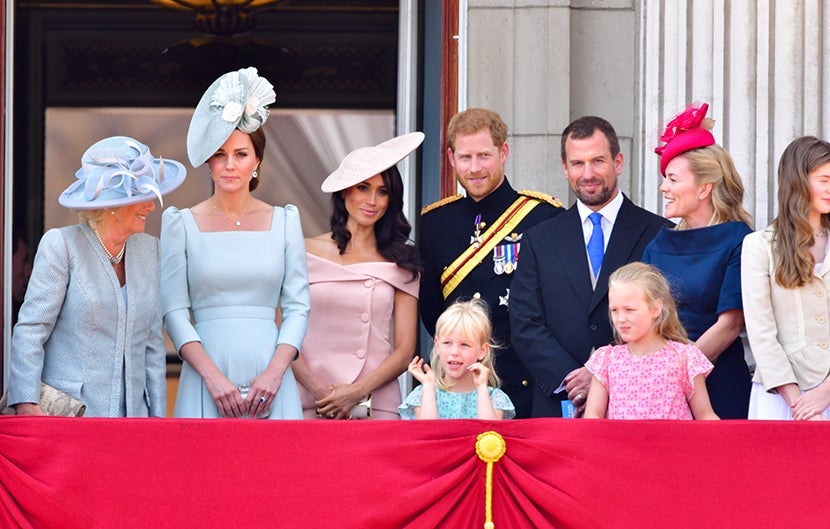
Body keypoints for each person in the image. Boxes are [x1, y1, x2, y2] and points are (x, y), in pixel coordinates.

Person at [161, 67, 309, 419]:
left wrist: (275, 373)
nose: (230, 165)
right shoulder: (179, 224)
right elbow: (173, 311)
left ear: (256, 161)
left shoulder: (285, 221)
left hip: (271, 376)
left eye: (240, 154)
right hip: (204, 374)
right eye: (219, 154)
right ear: (208, 161)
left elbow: (298, 308)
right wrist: (211, 378)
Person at [9, 135, 186, 416]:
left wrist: (157, 420)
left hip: (132, 423)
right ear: (111, 205)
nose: (151, 206)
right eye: (141, 197)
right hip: (73, 418)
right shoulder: (62, 246)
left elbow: (152, 344)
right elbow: (32, 329)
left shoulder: (150, 250)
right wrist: (26, 402)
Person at [510, 115, 670, 417]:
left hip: (638, 400)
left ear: (618, 162)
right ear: (565, 168)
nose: (588, 174)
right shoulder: (539, 240)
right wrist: (572, 377)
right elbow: (525, 323)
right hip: (560, 402)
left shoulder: (659, 233)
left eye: (598, 161)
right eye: (577, 163)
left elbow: (665, 318)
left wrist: (600, 375)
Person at [419, 108, 563, 418]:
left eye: (484, 155)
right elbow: (431, 309)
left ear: (504, 152)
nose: (474, 168)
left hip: (523, 382)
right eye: (465, 157)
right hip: (459, 386)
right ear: (450, 157)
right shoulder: (434, 222)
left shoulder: (544, 217)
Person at [291, 133, 423, 420]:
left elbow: (404, 350)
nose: (372, 200)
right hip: (309, 400)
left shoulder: (402, 261)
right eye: (363, 188)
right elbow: (283, 335)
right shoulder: (302, 250)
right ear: (344, 191)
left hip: (375, 402)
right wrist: (319, 392)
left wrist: (356, 392)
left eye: (383, 191)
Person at [641, 102, 753, 419]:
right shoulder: (658, 244)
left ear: (704, 188)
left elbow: (730, 325)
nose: (664, 187)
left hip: (718, 384)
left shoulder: (740, 239)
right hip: (659, 387)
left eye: (673, 179)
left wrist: (677, 376)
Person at [742, 136, 830, 421]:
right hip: (780, 399)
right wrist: (799, 403)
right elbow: (761, 333)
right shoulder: (759, 246)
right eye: (824, 179)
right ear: (797, 181)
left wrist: (823, 395)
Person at [583, 262, 718, 420]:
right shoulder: (606, 360)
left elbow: (705, 416)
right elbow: (593, 417)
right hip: (620, 445)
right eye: (614, 310)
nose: (620, 319)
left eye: (629, 310)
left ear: (655, 309)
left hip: (673, 444)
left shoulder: (685, 358)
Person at [399, 299, 515, 419]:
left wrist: (482, 389)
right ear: (437, 345)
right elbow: (429, 433)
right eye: (447, 343)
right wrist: (428, 386)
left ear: (482, 351)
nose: (454, 352)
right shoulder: (422, 394)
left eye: (465, 345)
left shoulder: (494, 398)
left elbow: (490, 434)